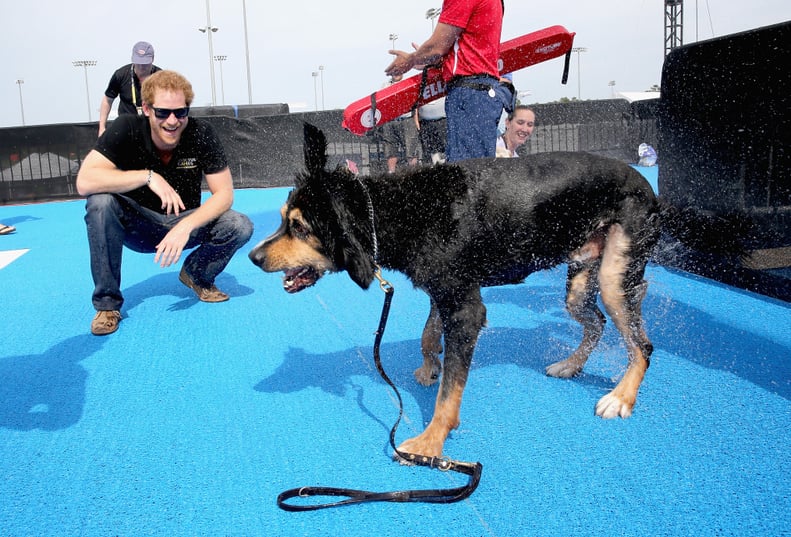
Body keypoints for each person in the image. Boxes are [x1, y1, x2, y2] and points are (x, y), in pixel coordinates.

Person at [76, 70, 253, 336]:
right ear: (146, 109)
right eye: (162, 112)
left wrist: (185, 226)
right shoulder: (125, 128)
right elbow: (85, 182)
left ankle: (197, 274)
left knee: (239, 224)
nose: (172, 121)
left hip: (183, 225)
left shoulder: (201, 133)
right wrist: (148, 177)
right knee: (100, 202)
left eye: (180, 112)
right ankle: (107, 305)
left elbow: (224, 194)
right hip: (137, 226)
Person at [385, 0, 512, 162]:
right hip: (483, 92)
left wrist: (410, 60)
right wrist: (433, 61)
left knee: (466, 169)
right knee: (478, 167)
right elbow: (468, 48)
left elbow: (437, 46)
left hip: (469, 94)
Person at [98, 41, 162, 137]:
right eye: (138, 63)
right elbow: (107, 100)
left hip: (153, 128)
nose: (141, 67)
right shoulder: (120, 75)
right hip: (127, 128)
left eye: (145, 63)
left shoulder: (162, 77)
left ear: (152, 59)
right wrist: (102, 127)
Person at [379, 75, 421, 173]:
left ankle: (414, 173)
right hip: (390, 122)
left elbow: (415, 103)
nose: (396, 74)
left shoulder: (408, 83)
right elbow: (381, 104)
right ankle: (391, 173)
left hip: (407, 119)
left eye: (398, 71)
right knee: (390, 150)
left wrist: (416, 120)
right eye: (394, 72)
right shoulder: (385, 86)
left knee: (411, 149)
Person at [415, 97, 447, 164]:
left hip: (443, 119)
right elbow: (415, 103)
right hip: (425, 122)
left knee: (446, 147)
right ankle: (436, 167)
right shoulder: (418, 88)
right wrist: (416, 120)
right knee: (432, 151)